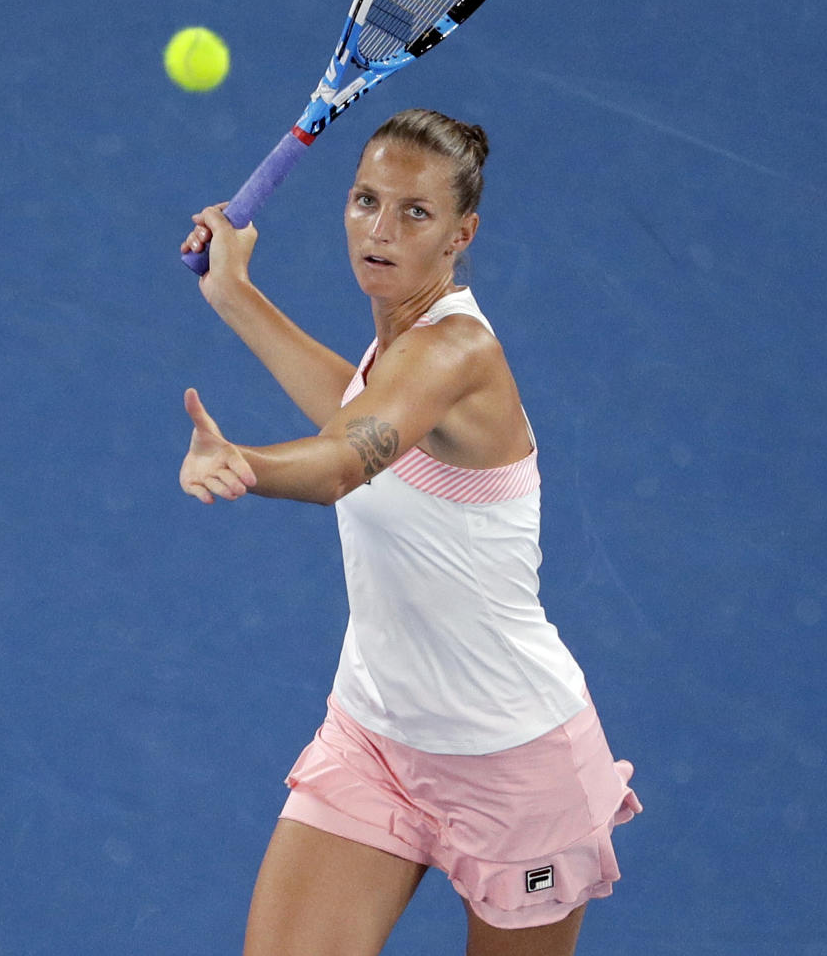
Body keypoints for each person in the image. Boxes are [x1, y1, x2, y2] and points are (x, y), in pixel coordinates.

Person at [179, 109, 641, 956]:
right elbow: (354, 409)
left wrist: (245, 460)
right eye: (365, 200)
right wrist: (234, 294)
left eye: (414, 213)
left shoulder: (454, 352)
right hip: (375, 737)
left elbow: (345, 459)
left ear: (462, 235)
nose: (379, 230)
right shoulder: (395, 356)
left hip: (515, 761)